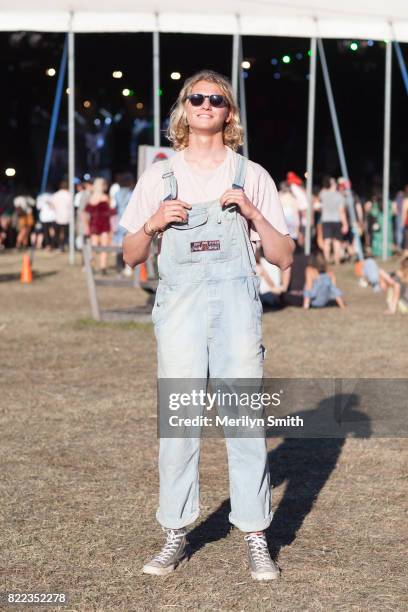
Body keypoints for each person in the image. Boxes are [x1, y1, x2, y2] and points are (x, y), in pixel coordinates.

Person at [120, 70, 294, 581]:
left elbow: (284, 257)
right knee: (179, 424)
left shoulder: (251, 174)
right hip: (180, 309)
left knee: (244, 420)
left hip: (236, 306)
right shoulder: (159, 177)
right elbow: (130, 255)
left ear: (228, 113)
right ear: (183, 109)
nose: (204, 104)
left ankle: (256, 535)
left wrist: (254, 214)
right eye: (196, 97)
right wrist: (153, 223)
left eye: (215, 98)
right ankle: (176, 531)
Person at [82, 177, 114, 274]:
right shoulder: (105, 197)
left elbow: (85, 214)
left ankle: (92, 266)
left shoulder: (91, 198)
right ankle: (102, 267)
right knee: (104, 247)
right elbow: (110, 212)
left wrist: (86, 226)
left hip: (94, 225)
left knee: (94, 248)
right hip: (104, 225)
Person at [319, 176, 348, 265]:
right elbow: (341, 211)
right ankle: (337, 261)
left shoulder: (323, 194)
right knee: (337, 242)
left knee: (327, 241)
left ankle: (327, 260)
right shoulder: (340, 196)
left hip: (326, 220)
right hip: (336, 220)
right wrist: (345, 224)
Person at [50, 180, 72, 251]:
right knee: (63, 232)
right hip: (66, 217)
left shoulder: (55, 195)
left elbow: (52, 206)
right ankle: (61, 245)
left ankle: (53, 244)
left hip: (57, 216)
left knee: (55, 232)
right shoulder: (69, 195)